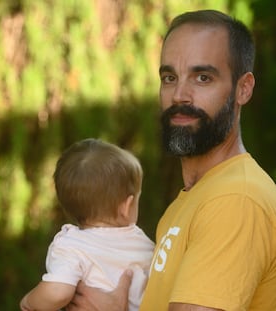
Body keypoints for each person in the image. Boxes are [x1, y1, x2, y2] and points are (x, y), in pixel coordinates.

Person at [66, 9, 276, 311]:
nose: (179, 94)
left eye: (202, 77)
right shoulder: (194, 199)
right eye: (169, 77)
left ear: (243, 88)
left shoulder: (236, 199)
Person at [20, 138, 154, 311]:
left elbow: (57, 293)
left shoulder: (71, 245)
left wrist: (28, 302)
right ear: (126, 206)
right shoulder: (144, 244)